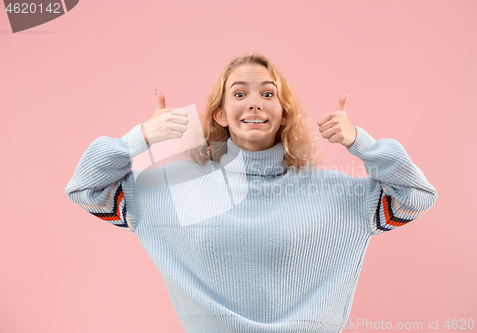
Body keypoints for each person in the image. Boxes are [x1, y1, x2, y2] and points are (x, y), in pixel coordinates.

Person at [65, 52, 437, 333]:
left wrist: (361, 142)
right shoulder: (176, 189)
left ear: (285, 114)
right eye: (239, 93)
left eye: (268, 93)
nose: (254, 101)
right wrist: (141, 137)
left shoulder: (334, 192)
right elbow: (86, 189)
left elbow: (416, 196)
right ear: (221, 115)